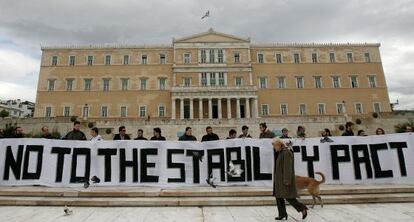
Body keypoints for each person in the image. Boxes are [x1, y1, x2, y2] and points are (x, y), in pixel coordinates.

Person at [272, 139, 308, 220]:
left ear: (279, 145)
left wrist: (287, 180)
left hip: (285, 180)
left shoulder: (286, 153)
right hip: (279, 180)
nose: (274, 148)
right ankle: (282, 214)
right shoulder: (281, 152)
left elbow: (287, 168)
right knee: (278, 196)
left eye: (274, 146)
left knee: (289, 197)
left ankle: (302, 208)